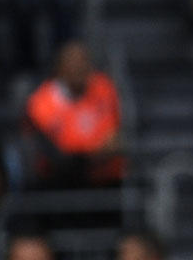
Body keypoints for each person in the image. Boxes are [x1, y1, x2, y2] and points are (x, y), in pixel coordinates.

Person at [23, 41, 124, 188]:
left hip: (106, 177)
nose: (78, 68)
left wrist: (101, 149)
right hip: (61, 180)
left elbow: (112, 136)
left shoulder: (104, 87)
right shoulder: (41, 102)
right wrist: (91, 153)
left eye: (83, 62)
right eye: (72, 63)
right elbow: (60, 151)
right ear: (59, 68)